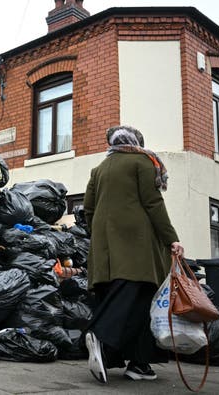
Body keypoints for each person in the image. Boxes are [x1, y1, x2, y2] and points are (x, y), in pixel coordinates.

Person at [83, 125, 184, 384]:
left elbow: (88, 210)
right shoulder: (142, 162)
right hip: (136, 243)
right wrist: (171, 238)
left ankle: (137, 364)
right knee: (138, 296)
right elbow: (153, 203)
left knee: (119, 293)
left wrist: (100, 235)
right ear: (137, 142)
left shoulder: (100, 169)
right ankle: (100, 335)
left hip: (105, 245)